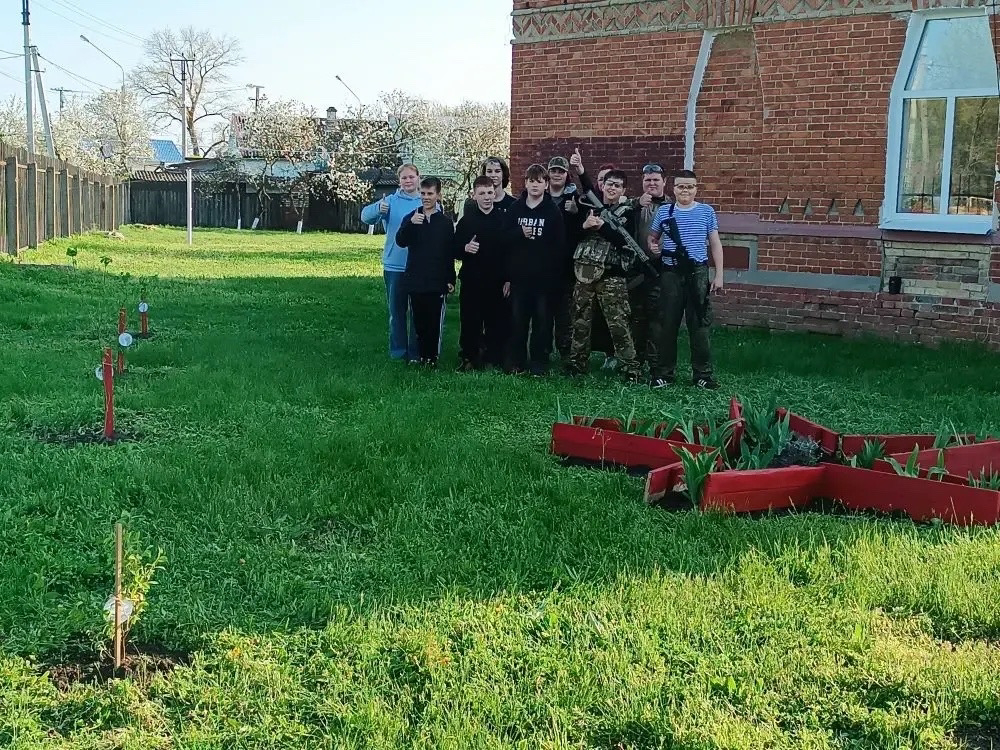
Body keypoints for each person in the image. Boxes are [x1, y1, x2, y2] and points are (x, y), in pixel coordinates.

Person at [565, 157, 642, 383]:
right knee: (580, 322)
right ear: (603, 186)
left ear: (623, 190)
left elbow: (624, 241)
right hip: (584, 274)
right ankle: (577, 364)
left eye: (617, 185)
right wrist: (584, 226)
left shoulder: (628, 212)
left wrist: (602, 227)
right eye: (609, 184)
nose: (612, 188)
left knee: (619, 325)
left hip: (611, 276)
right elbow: (573, 237)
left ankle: (631, 369)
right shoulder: (590, 208)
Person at [647, 169, 725, 390]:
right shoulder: (665, 211)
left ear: (696, 189)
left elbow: (715, 243)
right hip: (671, 272)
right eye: (681, 186)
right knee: (667, 323)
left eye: (690, 187)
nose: (685, 190)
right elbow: (652, 237)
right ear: (673, 188)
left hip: (697, 272)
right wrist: (653, 246)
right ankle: (664, 373)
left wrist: (719, 275)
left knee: (699, 323)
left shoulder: (706, 211)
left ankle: (703, 375)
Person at [504, 164, 566, 376]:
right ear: (525, 183)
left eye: (539, 181)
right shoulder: (515, 209)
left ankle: (539, 362)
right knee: (518, 322)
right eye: (531, 181)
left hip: (544, 280)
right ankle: (516, 361)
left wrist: (554, 277)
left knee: (543, 322)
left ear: (546, 184)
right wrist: (519, 233)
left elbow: (559, 246)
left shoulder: (552, 211)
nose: (535, 185)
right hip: (519, 278)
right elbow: (503, 239)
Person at [360, 164, 422, 362]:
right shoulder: (390, 201)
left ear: (418, 178)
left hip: (420, 267)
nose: (408, 181)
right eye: (404, 178)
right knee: (397, 312)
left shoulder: (427, 201)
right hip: (395, 265)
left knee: (419, 313)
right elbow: (365, 217)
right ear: (399, 181)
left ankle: (417, 353)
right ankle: (398, 352)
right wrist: (379, 208)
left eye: (411, 177)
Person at [394, 177, 456, 368]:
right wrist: (411, 224)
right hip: (416, 279)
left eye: (430, 194)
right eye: (423, 193)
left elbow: (448, 253)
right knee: (419, 321)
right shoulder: (412, 217)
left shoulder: (445, 222)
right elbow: (400, 241)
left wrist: (450, 278)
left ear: (438, 195)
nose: (426, 197)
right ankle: (421, 356)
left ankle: (432, 357)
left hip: (437, 280)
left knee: (433, 321)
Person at [453, 176, 510, 371]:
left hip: (497, 281)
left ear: (495, 194)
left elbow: (511, 252)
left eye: (490, 193)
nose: (487, 197)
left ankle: (493, 357)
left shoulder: (503, 220)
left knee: (496, 321)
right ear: (474, 195)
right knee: (470, 321)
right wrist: (465, 248)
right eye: (482, 193)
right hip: (472, 280)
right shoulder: (466, 222)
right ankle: (469, 357)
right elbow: (453, 250)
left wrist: (509, 279)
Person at [628, 164, 669, 378]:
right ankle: (635, 363)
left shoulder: (672, 206)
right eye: (647, 180)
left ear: (664, 182)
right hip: (636, 271)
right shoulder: (634, 205)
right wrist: (635, 205)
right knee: (636, 318)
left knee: (657, 319)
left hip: (661, 270)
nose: (651, 183)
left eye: (655, 180)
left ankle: (656, 364)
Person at [546, 156, 581, 367]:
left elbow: (581, 231)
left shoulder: (575, 198)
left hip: (566, 264)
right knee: (543, 311)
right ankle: (543, 352)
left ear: (567, 174)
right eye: (554, 171)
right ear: (548, 173)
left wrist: (575, 214)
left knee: (565, 313)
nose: (557, 174)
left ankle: (566, 352)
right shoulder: (540, 197)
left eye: (561, 171)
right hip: (543, 263)